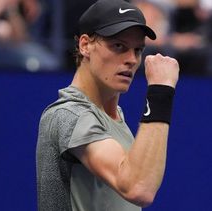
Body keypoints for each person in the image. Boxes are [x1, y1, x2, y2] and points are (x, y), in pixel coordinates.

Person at [36, 0, 180, 210]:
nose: (131, 59)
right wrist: (160, 91)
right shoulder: (68, 114)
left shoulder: (114, 118)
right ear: (85, 45)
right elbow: (138, 187)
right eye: (118, 46)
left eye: (138, 50)